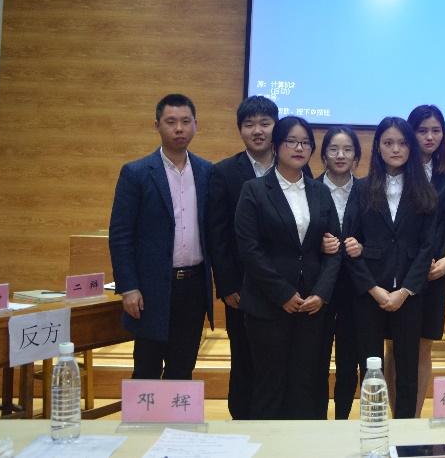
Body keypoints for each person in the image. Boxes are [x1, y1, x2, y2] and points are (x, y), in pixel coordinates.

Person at [234, 115, 341, 420]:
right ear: (276, 146)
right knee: (270, 383)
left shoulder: (320, 191)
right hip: (268, 305)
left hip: (311, 306)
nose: (299, 148)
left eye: (305, 143)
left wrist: (321, 293)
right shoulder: (254, 190)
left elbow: (334, 247)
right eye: (291, 141)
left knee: (304, 384)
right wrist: (282, 293)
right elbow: (249, 249)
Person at [109, 93, 214, 380]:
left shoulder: (207, 172)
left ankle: (177, 413)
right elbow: (120, 235)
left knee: (183, 369)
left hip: (193, 287)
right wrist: (128, 287)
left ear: (195, 125)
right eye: (171, 122)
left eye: (185, 121)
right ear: (157, 125)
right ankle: (144, 414)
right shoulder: (136, 173)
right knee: (147, 368)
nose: (179, 128)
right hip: (151, 289)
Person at [345, 116, 438, 419]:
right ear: (378, 147)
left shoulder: (425, 190)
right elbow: (351, 245)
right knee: (370, 366)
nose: (396, 149)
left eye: (402, 143)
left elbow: (427, 247)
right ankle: (373, 425)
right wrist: (374, 290)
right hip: (370, 293)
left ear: (411, 148)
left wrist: (405, 291)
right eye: (388, 143)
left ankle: (406, 429)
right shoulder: (361, 188)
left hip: (409, 294)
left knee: (407, 367)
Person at [204, 95, 278, 419]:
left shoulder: (293, 167)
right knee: (244, 356)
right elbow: (217, 235)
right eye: (249, 125)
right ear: (240, 130)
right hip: (242, 288)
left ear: (276, 127)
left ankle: (274, 418)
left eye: (265, 123)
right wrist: (227, 285)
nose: (257, 130)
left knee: (277, 358)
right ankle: (242, 420)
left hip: (284, 284)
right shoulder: (223, 172)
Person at [385, 104, 445, 416]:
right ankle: (395, 414)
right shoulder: (396, 173)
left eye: (436, 130)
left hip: (437, 271)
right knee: (394, 345)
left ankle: (413, 416)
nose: (429, 136)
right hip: (402, 271)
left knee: (425, 344)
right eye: (422, 130)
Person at [315, 126, 365, 419]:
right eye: (333, 149)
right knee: (317, 359)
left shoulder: (367, 190)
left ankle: (343, 419)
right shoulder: (308, 188)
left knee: (349, 362)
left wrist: (363, 246)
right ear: (323, 154)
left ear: (356, 156)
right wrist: (317, 244)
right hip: (318, 288)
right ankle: (318, 420)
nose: (340, 155)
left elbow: (379, 235)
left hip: (356, 289)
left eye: (347, 149)